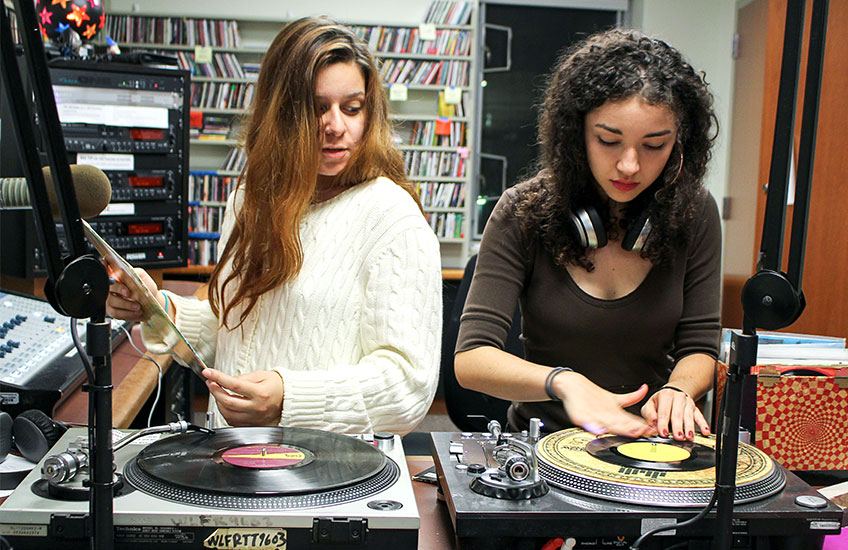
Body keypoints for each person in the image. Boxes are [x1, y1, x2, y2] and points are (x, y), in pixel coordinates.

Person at [106, 17, 442, 435]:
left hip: (323, 478)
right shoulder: (251, 200)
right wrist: (161, 310)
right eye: (317, 108)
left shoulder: (392, 219)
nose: (336, 125)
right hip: (234, 458)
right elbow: (234, 330)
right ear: (280, 113)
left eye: (352, 108)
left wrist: (289, 396)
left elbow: (408, 387)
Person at [454, 29, 721, 441]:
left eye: (654, 145)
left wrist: (679, 389)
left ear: (680, 144)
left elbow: (700, 345)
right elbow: (472, 359)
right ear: (576, 134)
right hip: (545, 449)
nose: (630, 165)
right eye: (609, 140)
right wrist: (565, 382)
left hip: (655, 450)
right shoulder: (521, 211)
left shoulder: (696, 213)